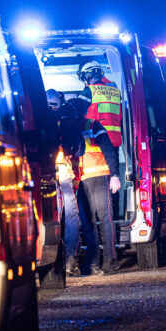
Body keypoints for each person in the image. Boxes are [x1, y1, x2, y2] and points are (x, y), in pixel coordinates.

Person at [74, 61, 123, 275]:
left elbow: (80, 106)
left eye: (85, 77)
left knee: (99, 220)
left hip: (97, 172)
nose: (85, 81)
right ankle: (101, 263)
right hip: (109, 153)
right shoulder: (113, 89)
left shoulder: (89, 99)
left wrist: (113, 175)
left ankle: (106, 262)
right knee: (99, 220)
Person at [46, 89, 82, 276]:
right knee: (70, 216)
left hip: (47, 174)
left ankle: (62, 260)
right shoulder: (67, 118)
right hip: (63, 172)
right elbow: (77, 147)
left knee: (58, 216)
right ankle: (70, 261)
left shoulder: (41, 118)